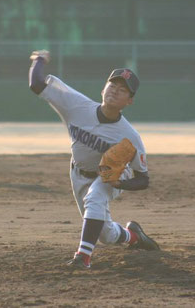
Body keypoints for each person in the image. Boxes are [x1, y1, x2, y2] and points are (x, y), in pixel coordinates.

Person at [28, 50, 159, 269]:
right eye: (112, 86)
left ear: (130, 101)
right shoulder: (76, 105)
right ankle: (134, 236)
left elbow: (143, 179)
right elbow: (37, 85)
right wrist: (39, 60)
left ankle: (83, 257)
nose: (115, 91)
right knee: (105, 234)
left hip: (113, 174)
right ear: (103, 89)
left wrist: (121, 184)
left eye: (123, 90)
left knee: (96, 197)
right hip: (78, 172)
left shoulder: (130, 137)